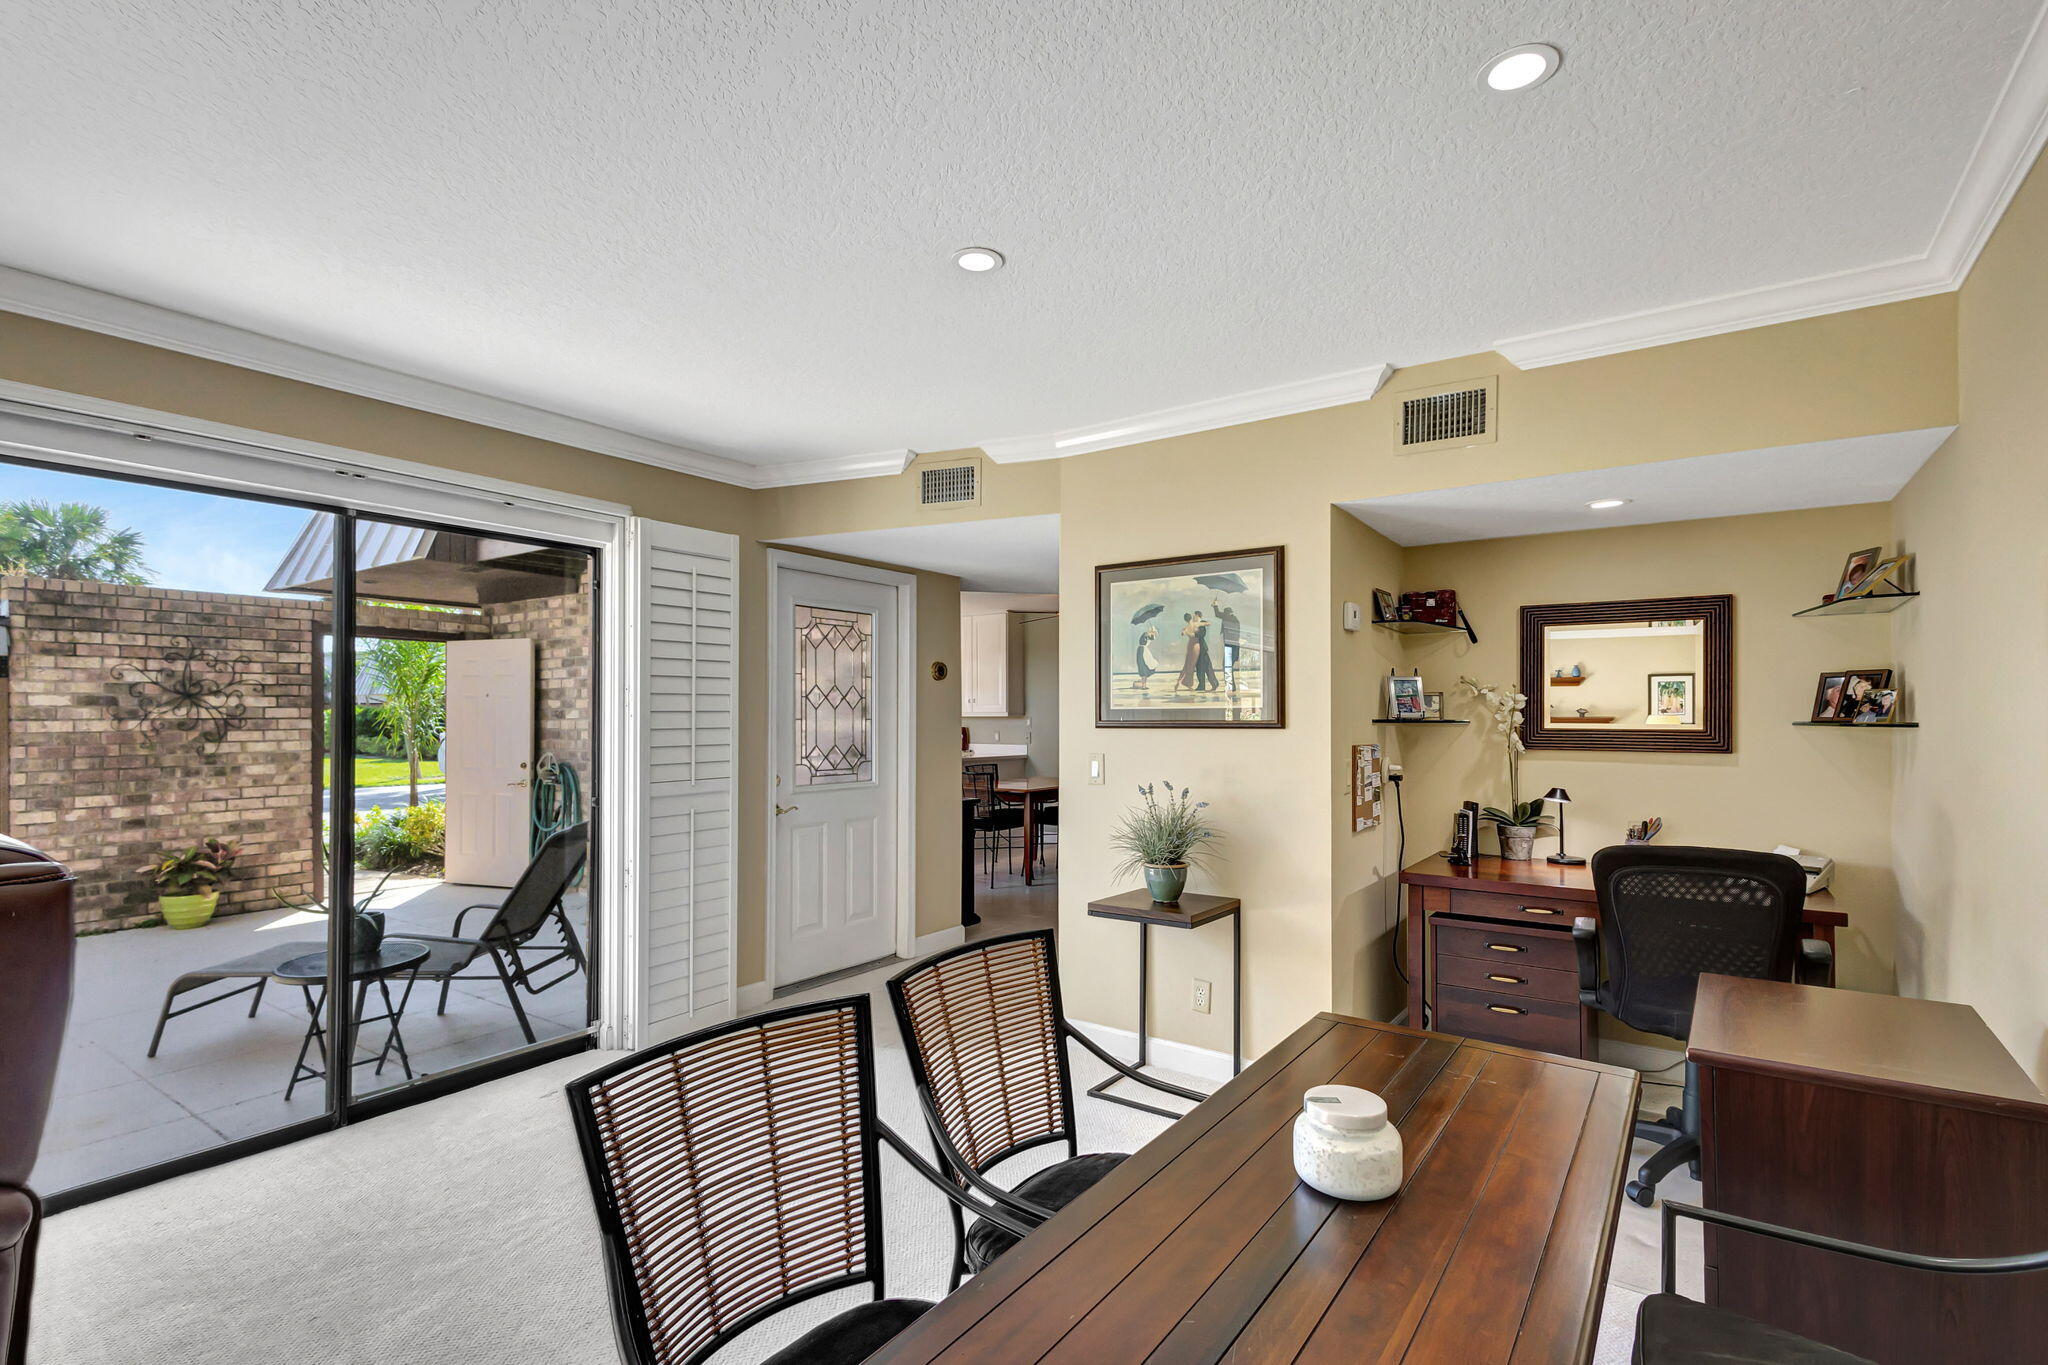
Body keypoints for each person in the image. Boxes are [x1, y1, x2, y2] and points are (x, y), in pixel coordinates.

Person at [1211, 599, 1241, 690]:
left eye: (1225, 614)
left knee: (1226, 666)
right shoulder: (1235, 619)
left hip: (1230, 647)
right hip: (1233, 647)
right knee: (1227, 666)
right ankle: (1231, 686)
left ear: (1227, 613)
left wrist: (1215, 605)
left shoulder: (1228, 618)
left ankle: (1230, 686)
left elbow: (1218, 614)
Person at [1190, 611, 1219, 692]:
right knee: (1199, 668)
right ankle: (1202, 685)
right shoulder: (1195, 624)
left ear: (1197, 615)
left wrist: (1194, 634)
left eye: (1194, 616)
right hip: (1197, 649)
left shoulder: (1202, 623)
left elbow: (1202, 634)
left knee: (1207, 667)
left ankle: (1214, 683)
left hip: (1202, 648)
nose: (1193, 617)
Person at [1174, 613, 1200, 690]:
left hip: (1190, 645)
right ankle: (1185, 683)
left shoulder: (1186, 627)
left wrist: (1185, 631)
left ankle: (1183, 682)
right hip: (1195, 646)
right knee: (1191, 665)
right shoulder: (1195, 625)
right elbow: (1195, 634)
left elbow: (1182, 634)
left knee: (1187, 664)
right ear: (1191, 617)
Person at [1133, 625, 1158, 690]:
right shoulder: (1145, 634)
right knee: (1143, 667)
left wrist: (1153, 632)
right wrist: (1151, 632)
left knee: (1145, 668)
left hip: (1144, 651)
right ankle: (1143, 686)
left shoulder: (1148, 636)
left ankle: (1144, 685)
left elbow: (1152, 638)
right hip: (1142, 651)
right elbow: (1144, 641)